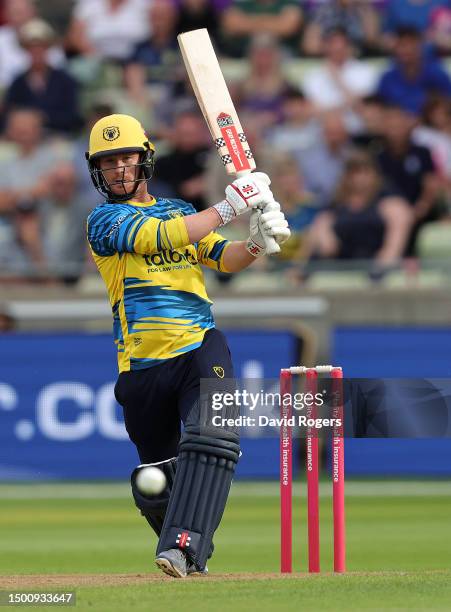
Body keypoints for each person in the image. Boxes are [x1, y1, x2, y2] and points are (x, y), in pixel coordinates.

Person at [85, 113, 290, 578]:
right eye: (108, 161)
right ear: (97, 169)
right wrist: (229, 207)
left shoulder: (179, 210)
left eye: (127, 157)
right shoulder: (103, 221)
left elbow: (223, 255)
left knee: (214, 437)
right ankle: (189, 550)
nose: (119, 168)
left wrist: (256, 241)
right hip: (142, 368)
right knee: (154, 484)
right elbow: (159, 238)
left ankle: (182, 547)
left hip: (199, 345)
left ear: (145, 160)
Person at [306, 151, 412, 267]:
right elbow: (325, 244)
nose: (359, 178)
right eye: (354, 173)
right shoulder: (335, 207)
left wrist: (382, 267)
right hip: (340, 268)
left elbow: (393, 248)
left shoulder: (389, 203)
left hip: (376, 270)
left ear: (375, 174)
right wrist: (323, 233)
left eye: (365, 172)